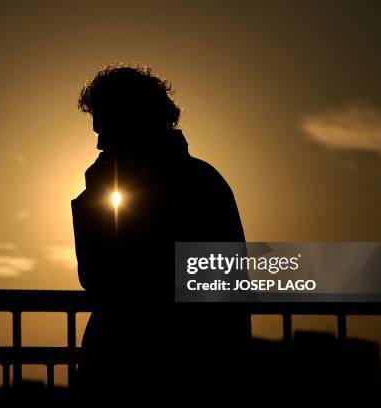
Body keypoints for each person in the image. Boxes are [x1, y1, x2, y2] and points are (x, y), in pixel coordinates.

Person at [71, 63, 250, 401]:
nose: (100, 144)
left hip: (155, 372)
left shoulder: (184, 187)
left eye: (105, 129)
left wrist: (94, 201)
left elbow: (102, 279)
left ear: (134, 122)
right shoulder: (203, 180)